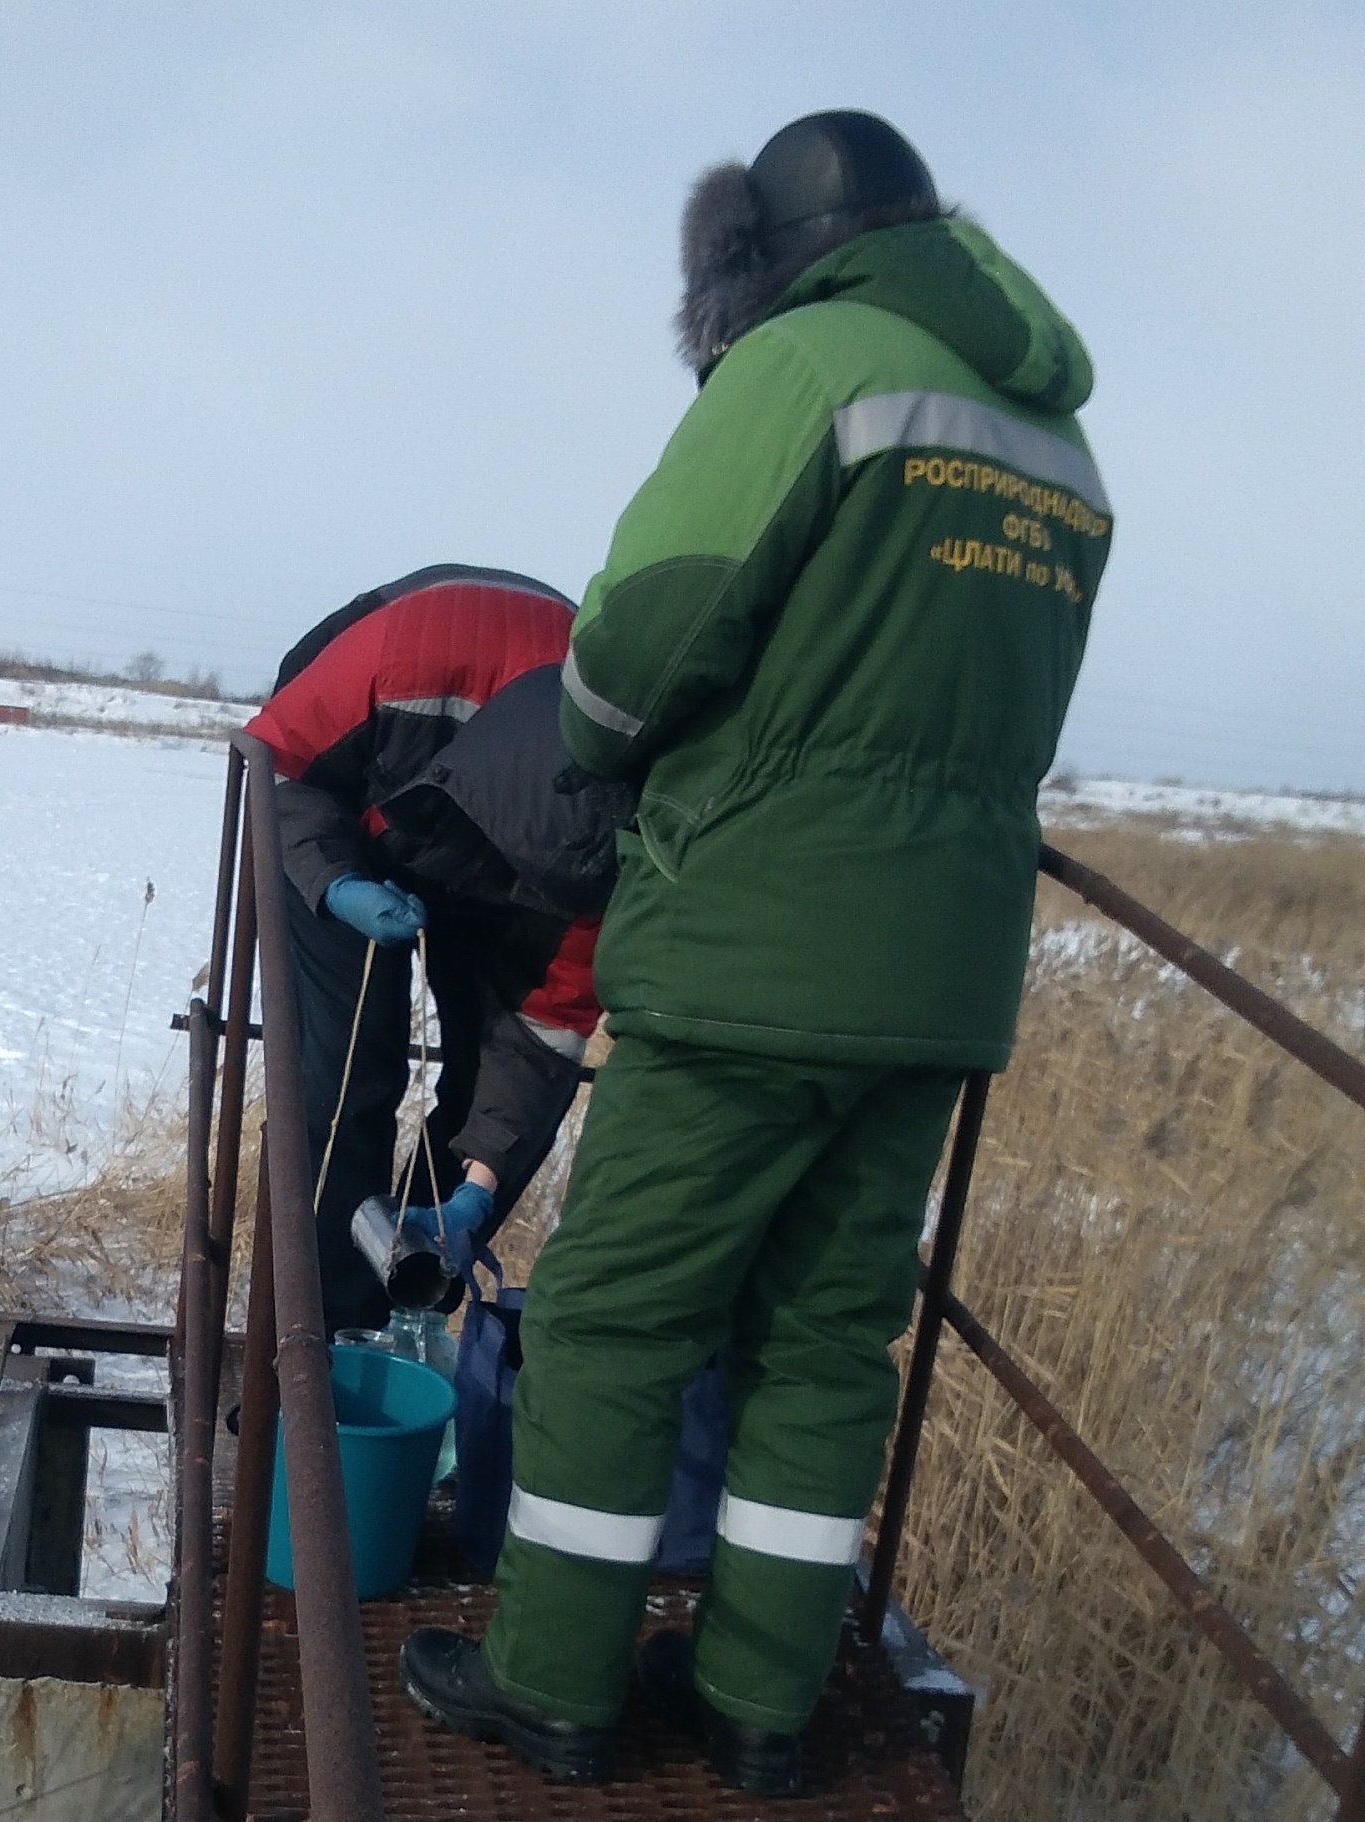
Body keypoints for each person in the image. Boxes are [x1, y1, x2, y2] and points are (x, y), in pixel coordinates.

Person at [400, 111, 1113, 1793]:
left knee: (613, 1318)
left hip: (750, 953)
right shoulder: (1060, 447)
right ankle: (756, 1702)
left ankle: (555, 1679)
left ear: (758, 257)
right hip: (940, 981)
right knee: (821, 1334)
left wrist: (589, 736)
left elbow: (634, 647)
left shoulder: (809, 368)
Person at [245, 563, 633, 1337]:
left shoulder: (599, 859)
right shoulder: (403, 659)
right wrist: (336, 882)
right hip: (339, 806)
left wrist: (479, 1186)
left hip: (506, 861)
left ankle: (408, 1309)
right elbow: (277, 767)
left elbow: (541, 1039)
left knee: (490, 1104)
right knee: (354, 1070)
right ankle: (315, 1340)